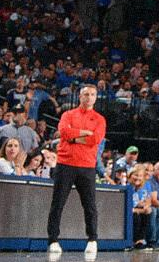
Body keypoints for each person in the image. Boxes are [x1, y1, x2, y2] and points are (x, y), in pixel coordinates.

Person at [47, 83, 106, 262]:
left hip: (87, 166)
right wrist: (84, 133)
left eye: (92, 94)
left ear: (96, 98)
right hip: (65, 164)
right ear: (80, 96)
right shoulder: (68, 114)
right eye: (86, 94)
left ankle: (92, 239)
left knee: (90, 205)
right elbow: (64, 132)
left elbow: (95, 139)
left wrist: (74, 138)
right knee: (58, 203)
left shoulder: (100, 119)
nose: (89, 97)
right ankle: (53, 240)